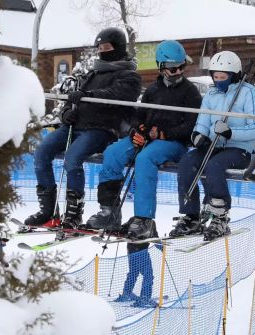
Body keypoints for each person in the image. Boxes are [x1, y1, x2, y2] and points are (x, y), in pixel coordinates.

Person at [24, 27, 141, 230]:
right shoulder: (91, 74)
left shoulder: (128, 75)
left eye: (107, 47)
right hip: (75, 126)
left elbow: (117, 94)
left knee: (72, 158)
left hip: (101, 129)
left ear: (118, 47)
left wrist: (90, 96)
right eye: (100, 47)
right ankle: (48, 211)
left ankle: (74, 212)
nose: (102, 51)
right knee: (42, 152)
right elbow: (75, 98)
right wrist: (66, 113)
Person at [85, 40, 202, 240]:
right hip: (148, 138)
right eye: (172, 69)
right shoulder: (153, 90)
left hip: (174, 144)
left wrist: (164, 134)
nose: (178, 72)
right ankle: (109, 212)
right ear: (161, 67)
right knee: (113, 153)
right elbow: (139, 115)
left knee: (145, 159)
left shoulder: (190, 92)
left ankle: (144, 219)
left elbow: (191, 126)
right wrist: (137, 131)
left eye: (182, 67)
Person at [170, 51, 255, 241]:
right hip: (214, 145)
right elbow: (203, 119)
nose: (219, 81)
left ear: (234, 75)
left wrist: (231, 133)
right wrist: (198, 134)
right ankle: (191, 215)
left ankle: (219, 215)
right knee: (187, 161)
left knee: (214, 166)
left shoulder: (247, 92)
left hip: (240, 149)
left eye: (224, 77)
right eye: (216, 77)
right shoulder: (212, 94)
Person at [114, 242, 161, 307]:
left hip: (131, 250)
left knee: (133, 273)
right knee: (148, 275)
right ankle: (145, 297)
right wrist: (162, 247)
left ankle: (126, 293)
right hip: (141, 251)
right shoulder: (149, 231)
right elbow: (154, 237)